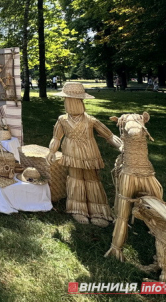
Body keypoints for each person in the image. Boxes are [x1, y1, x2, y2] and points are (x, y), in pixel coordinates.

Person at [47, 82, 121, 227]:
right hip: (71, 153)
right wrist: (51, 151)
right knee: (75, 179)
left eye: (69, 100)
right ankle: (78, 209)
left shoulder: (90, 120)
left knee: (92, 179)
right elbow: (56, 138)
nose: (67, 104)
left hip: (89, 154)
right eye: (66, 101)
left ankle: (98, 211)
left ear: (78, 102)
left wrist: (121, 146)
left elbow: (109, 135)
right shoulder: (62, 120)